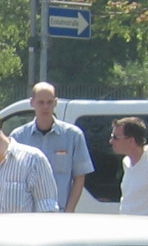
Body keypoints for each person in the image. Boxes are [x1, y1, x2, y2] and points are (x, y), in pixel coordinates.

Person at [9, 82, 93, 212]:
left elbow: (79, 178)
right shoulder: (18, 137)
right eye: (41, 102)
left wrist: (68, 212)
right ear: (32, 102)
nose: (45, 107)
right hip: (27, 214)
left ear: (56, 103)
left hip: (59, 212)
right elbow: (11, 177)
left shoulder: (73, 136)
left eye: (49, 102)